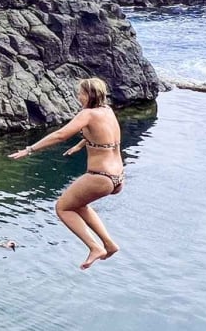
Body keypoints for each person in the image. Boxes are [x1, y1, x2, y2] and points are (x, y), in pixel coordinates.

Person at [8, 76, 124, 269]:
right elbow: (103, 134)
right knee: (79, 205)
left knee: (62, 208)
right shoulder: (107, 111)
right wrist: (79, 145)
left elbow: (60, 135)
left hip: (101, 177)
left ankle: (95, 247)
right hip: (118, 177)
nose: (78, 97)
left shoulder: (87, 114)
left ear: (89, 95)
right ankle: (109, 244)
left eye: (80, 93)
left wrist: (29, 150)